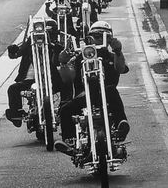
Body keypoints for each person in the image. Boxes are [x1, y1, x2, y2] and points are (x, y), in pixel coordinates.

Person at [54, 20, 130, 155]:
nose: (98, 39)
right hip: (84, 96)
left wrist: (118, 51)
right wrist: (63, 60)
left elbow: (121, 68)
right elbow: (67, 78)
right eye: (95, 36)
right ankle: (69, 142)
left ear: (109, 38)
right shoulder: (79, 58)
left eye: (102, 36)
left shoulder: (112, 56)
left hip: (106, 95)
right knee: (65, 109)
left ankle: (121, 125)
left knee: (112, 90)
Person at [5, 18, 64, 127]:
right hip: (30, 81)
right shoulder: (29, 46)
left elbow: (58, 61)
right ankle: (16, 115)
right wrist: (12, 50)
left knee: (67, 87)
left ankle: (63, 110)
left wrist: (57, 51)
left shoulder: (55, 46)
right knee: (12, 89)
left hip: (50, 80)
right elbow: (15, 54)